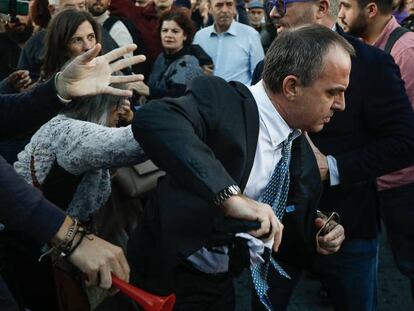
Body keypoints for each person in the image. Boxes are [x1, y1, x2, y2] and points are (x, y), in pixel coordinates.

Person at [129, 24, 351, 310]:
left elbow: (284, 219)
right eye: (333, 92)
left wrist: (319, 236)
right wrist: (230, 196)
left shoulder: (299, 148)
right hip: (166, 272)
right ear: (292, 86)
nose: (341, 105)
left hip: (222, 280)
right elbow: (155, 119)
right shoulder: (224, 100)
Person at [250, 0, 414, 310]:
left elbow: (405, 142)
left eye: (281, 2)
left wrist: (333, 168)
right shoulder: (269, 64)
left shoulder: (372, 63)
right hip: (281, 231)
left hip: (351, 229)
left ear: (322, 7)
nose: (272, 12)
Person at [0, 43, 145, 310]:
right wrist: (72, 237)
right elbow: (133, 144)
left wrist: (58, 88)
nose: (121, 112)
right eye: (118, 105)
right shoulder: (73, 133)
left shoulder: (75, 122)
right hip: (31, 254)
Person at [338, 0, 414, 300]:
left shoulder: (405, 51)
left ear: (370, 10)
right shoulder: (363, 49)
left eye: (344, 5)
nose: (339, 13)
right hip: (376, 180)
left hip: (403, 185)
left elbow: (405, 132)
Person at [193, 0, 264, 84]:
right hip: (206, 94)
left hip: (239, 96)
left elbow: (259, 77)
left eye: (229, 4)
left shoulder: (251, 35)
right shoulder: (200, 37)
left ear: (234, 8)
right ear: (210, 8)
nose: (225, 10)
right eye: (219, 5)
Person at [147, 8, 204, 99]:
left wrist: (147, 91)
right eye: (165, 30)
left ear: (185, 35)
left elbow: (179, 96)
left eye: (175, 31)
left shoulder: (189, 62)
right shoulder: (161, 57)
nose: (168, 35)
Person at [40, 9, 101, 81]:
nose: (88, 47)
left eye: (91, 37)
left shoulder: (110, 76)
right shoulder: (47, 88)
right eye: (77, 40)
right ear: (63, 48)